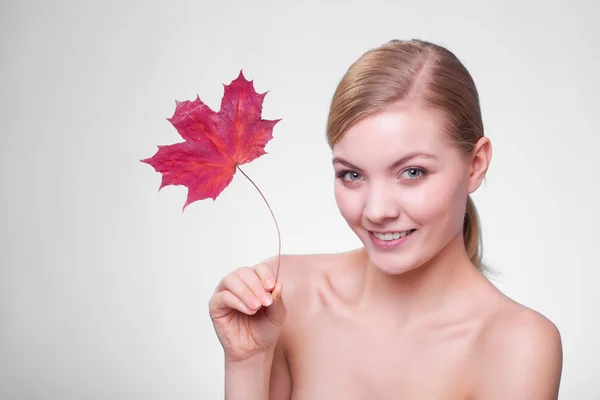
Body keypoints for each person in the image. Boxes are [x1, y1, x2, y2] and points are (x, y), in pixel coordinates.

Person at [208, 39, 563, 399]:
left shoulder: (518, 344)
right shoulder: (288, 299)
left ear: (476, 165)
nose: (376, 211)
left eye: (412, 172)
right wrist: (246, 362)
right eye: (352, 175)